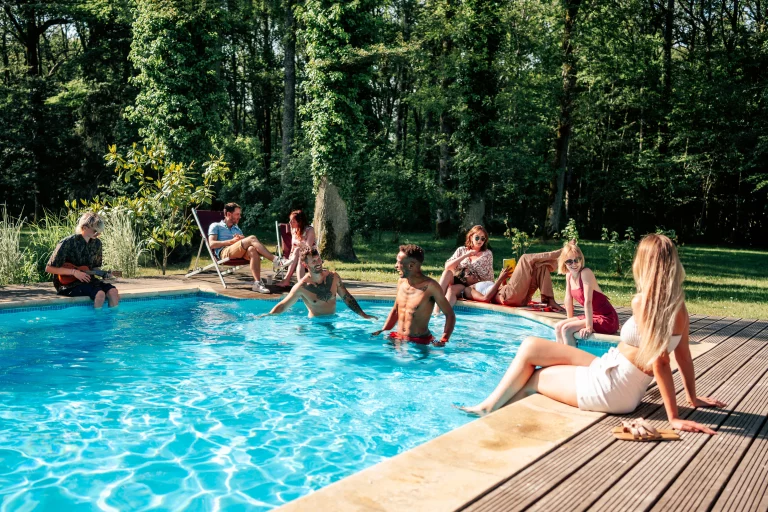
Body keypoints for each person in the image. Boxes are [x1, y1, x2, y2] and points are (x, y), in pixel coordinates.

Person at [460, 234, 726, 437]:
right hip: (610, 367)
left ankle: (488, 421)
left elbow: (661, 361)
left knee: (533, 378)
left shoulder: (643, 302)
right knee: (530, 346)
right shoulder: (677, 303)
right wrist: (692, 397)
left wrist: (673, 417)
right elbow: (683, 353)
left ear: (645, 264)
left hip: (612, 387)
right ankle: (489, 407)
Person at [373, 244, 456, 346]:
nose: (395, 266)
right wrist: (383, 330)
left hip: (420, 341)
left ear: (411, 265)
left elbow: (450, 314)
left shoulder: (431, 286)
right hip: (398, 337)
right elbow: (395, 310)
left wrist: (443, 340)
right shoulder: (401, 282)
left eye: (399, 262)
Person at [267, 245, 376, 319]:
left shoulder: (334, 277)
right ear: (305, 265)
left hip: (333, 321)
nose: (318, 263)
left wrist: (363, 315)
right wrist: (268, 317)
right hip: (315, 325)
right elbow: (283, 306)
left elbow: (347, 298)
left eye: (318, 259)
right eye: (313, 261)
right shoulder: (302, 287)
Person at [45, 212, 119, 309]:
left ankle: (110, 321)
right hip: (68, 285)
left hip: (88, 280)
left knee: (113, 292)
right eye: (95, 231)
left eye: (100, 231)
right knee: (100, 294)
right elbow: (49, 268)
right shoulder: (67, 242)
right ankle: (97, 322)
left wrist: (104, 274)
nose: (98, 234)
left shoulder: (97, 244)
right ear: (84, 228)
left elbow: (93, 268)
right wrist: (74, 272)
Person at [208, 203, 283, 294]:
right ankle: (275, 260)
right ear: (228, 214)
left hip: (237, 251)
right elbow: (211, 244)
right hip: (224, 252)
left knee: (252, 249)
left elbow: (243, 244)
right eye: (237, 214)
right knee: (252, 238)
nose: (239, 217)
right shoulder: (215, 226)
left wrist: (240, 240)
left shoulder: (237, 229)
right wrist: (230, 241)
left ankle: (257, 283)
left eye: (240, 214)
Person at [553, 241, 619, 344]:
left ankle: (571, 359)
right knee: (558, 327)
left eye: (577, 260)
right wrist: (570, 320)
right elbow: (568, 300)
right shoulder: (569, 276)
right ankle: (561, 356)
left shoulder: (585, 273)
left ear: (581, 259)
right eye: (569, 261)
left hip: (607, 318)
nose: (574, 264)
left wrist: (589, 327)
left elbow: (588, 301)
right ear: (564, 263)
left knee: (566, 329)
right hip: (592, 316)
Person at [434, 225, 494, 313]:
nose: (480, 241)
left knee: (451, 290)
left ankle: (446, 314)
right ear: (471, 237)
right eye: (477, 237)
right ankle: (436, 311)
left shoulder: (487, 254)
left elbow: (487, 277)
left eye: (482, 238)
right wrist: (466, 255)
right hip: (457, 279)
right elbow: (448, 266)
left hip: (471, 286)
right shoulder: (461, 250)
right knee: (447, 272)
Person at [277, 209, 316, 287]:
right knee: (298, 252)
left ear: (300, 222)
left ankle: (290, 281)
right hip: (298, 256)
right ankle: (300, 284)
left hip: (311, 256)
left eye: (293, 221)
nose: (290, 223)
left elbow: (307, 247)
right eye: (290, 220)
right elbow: (292, 246)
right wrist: (291, 256)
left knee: (298, 251)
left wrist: (297, 246)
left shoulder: (310, 230)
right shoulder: (293, 229)